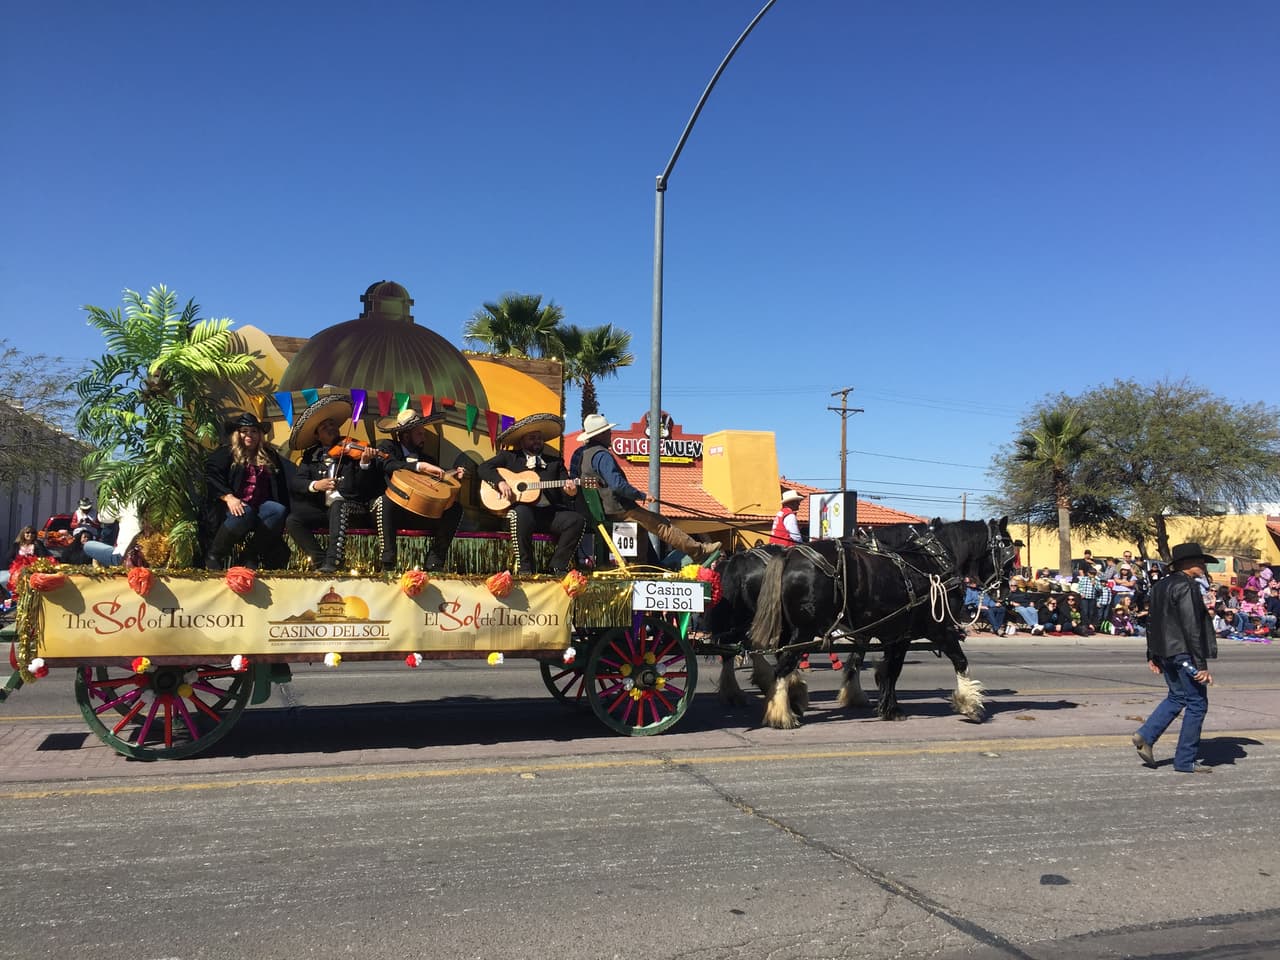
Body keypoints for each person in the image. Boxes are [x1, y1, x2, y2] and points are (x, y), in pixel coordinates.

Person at [571, 413, 718, 565]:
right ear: (600, 435)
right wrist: (642, 495)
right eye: (608, 432)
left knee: (641, 528)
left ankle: (639, 566)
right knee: (662, 525)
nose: (611, 434)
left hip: (604, 511)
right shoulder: (603, 456)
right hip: (619, 509)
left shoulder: (584, 455)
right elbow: (618, 485)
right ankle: (698, 551)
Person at [1132, 542, 1218, 774]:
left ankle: (1146, 735)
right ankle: (1185, 760)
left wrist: (1152, 654)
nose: (1203, 565)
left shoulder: (1160, 586)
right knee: (1197, 704)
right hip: (1183, 652)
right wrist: (1201, 665)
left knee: (1177, 696)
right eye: (1199, 561)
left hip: (1165, 651)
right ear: (1185, 564)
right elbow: (1192, 626)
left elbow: (1152, 621)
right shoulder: (1187, 586)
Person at [285, 395, 382, 574]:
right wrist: (316, 485)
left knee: (339, 505)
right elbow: (296, 482)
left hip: (352, 508)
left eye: (332, 424)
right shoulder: (311, 456)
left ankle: (334, 561)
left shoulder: (353, 449)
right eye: (324, 427)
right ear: (317, 435)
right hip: (324, 510)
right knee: (293, 520)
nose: (331, 428)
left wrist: (364, 464)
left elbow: (363, 488)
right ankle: (320, 560)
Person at [477, 413, 584, 576]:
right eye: (532, 438)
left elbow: (565, 489)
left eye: (539, 438)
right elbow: (483, 468)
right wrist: (500, 482)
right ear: (522, 441)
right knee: (521, 513)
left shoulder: (555, 463)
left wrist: (571, 492)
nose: (537, 441)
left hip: (548, 514)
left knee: (576, 520)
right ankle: (525, 568)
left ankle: (557, 566)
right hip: (522, 513)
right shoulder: (510, 457)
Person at [374, 408, 466, 572]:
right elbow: (388, 465)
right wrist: (418, 466)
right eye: (419, 434)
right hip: (396, 512)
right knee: (385, 501)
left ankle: (435, 561)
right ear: (406, 435)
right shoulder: (388, 447)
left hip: (422, 511)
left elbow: (436, 482)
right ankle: (388, 561)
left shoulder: (428, 459)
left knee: (455, 509)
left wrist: (452, 476)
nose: (424, 437)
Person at [204, 412, 290, 570]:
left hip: (260, 506)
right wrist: (228, 497)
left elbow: (289, 475)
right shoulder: (227, 453)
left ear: (260, 435)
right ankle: (215, 554)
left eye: (254, 431)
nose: (249, 435)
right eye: (244, 431)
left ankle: (250, 554)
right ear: (238, 434)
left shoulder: (269, 455)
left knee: (277, 510)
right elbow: (211, 475)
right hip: (234, 506)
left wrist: (313, 484)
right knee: (244, 512)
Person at [82, 503, 142, 567]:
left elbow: (103, 517)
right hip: (146, 554)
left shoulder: (122, 499)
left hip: (123, 557)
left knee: (87, 545)